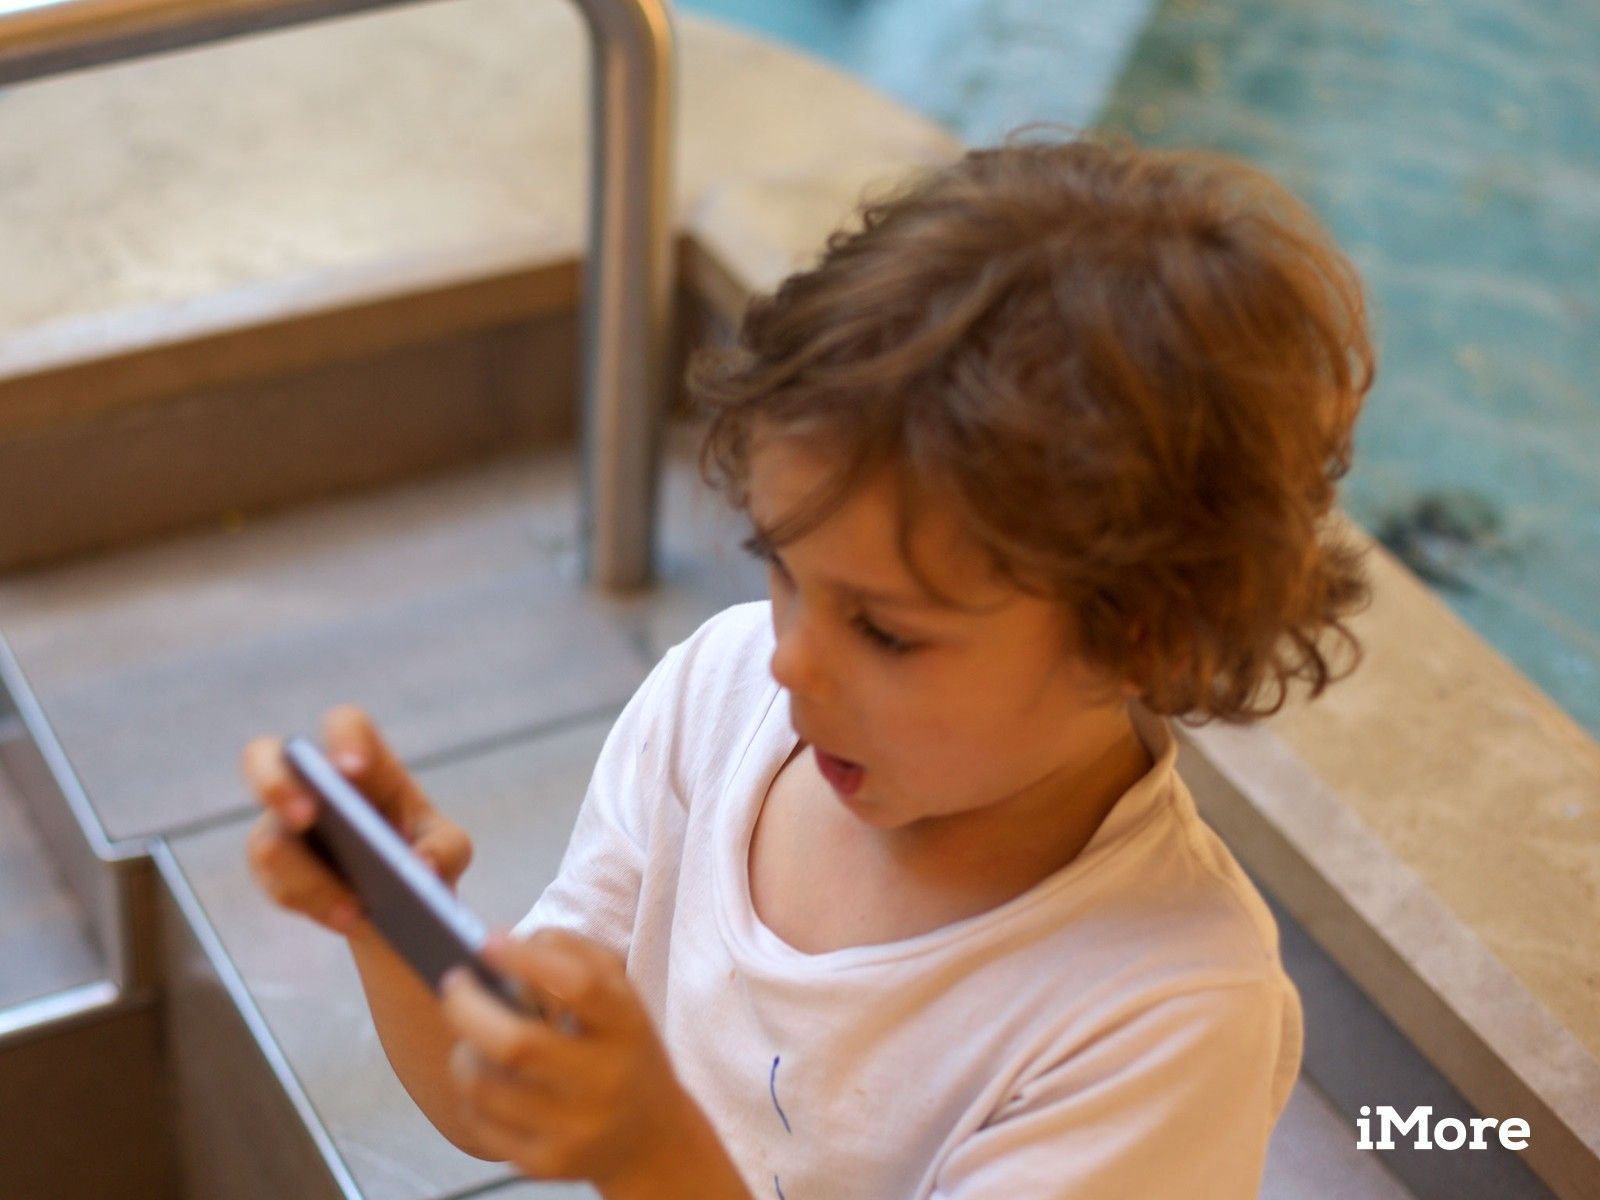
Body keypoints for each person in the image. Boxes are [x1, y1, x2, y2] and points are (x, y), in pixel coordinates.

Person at [243, 128, 1375, 1199]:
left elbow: (624, 1142)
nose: (791, 661)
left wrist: (647, 1146)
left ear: (1146, 635)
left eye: (884, 631)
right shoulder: (717, 698)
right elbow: (498, 1103)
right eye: (781, 569)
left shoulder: (1165, 1013)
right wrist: (393, 922)